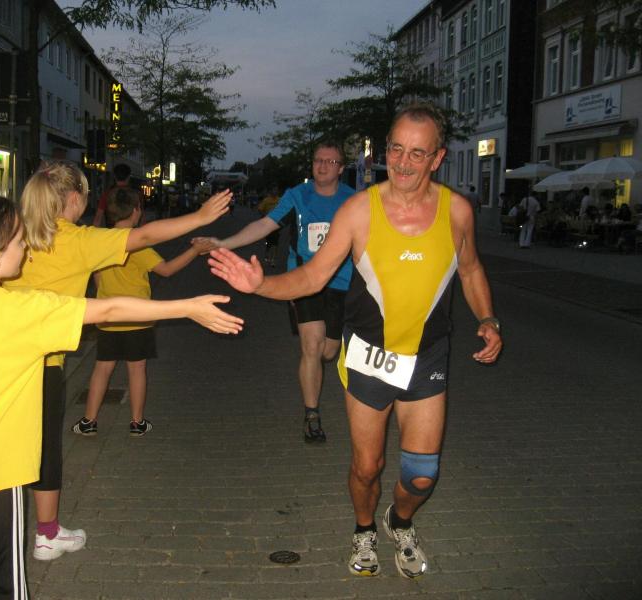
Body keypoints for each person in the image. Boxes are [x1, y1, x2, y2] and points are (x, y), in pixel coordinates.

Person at [0, 195, 242, 599]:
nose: (26, 247)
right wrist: (187, 307)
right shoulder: (24, 311)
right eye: (19, 241)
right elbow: (109, 311)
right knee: (2, 583)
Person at [208, 102, 502, 579]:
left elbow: (469, 270)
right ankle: (364, 528)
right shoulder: (360, 210)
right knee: (368, 467)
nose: (403, 163)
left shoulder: (458, 212)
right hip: (368, 357)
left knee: (421, 475)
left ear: (438, 158)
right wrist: (260, 285)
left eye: (417, 153)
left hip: (427, 357)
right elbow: (312, 277)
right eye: (396, 149)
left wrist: (487, 318)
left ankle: (399, 521)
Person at [3, 161, 232, 561]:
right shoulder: (77, 239)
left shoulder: (13, 232)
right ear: (73, 199)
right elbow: (143, 236)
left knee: (0, 440)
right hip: (41, 364)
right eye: (85, 196)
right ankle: (46, 535)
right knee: (43, 450)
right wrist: (198, 217)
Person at [197, 142, 355, 443]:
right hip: (303, 280)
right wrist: (223, 243)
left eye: (330, 161)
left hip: (341, 282)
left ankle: (321, 366)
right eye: (318, 160)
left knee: (328, 351)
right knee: (312, 346)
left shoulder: (354, 200)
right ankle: (312, 415)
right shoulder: (297, 196)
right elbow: (264, 225)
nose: (322, 166)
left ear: (341, 168)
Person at [72, 188, 215, 437]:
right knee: (137, 369)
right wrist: (194, 251)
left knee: (102, 368)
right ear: (136, 211)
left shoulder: (100, 241)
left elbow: (96, 278)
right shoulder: (136, 245)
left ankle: (89, 421)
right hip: (139, 318)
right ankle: (137, 423)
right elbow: (167, 270)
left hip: (107, 317)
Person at [94, 163, 136, 227]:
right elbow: (141, 218)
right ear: (129, 177)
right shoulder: (136, 195)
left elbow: (98, 218)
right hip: (131, 231)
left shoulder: (107, 194)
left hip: (112, 231)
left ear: (114, 177)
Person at [256, 187, 281, 266]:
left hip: (276, 224)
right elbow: (259, 209)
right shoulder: (266, 200)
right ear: (271, 191)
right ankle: (267, 253)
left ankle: (273, 260)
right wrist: (265, 216)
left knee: (275, 243)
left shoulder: (280, 200)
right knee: (269, 242)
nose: (275, 192)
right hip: (268, 224)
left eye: (276, 190)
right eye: (274, 190)